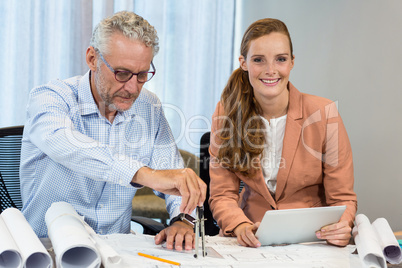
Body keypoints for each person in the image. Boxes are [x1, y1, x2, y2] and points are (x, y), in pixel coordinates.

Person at [20, 11, 206, 251]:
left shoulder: (149, 107)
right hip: (47, 250)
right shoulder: (50, 98)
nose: (132, 87)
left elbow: (174, 179)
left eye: (141, 75)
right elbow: (67, 145)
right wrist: (143, 174)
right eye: (122, 73)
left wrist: (183, 219)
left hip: (117, 250)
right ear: (92, 58)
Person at [209, 18, 357, 248]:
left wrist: (342, 226)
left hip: (312, 240)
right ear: (244, 63)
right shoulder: (226, 113)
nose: (271, 70)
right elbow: (222, 195)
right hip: (251, 238)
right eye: (258, 60)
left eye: (280, 59)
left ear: (292, 62)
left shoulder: (324, 113)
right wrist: (240, 226)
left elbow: (343, 198)